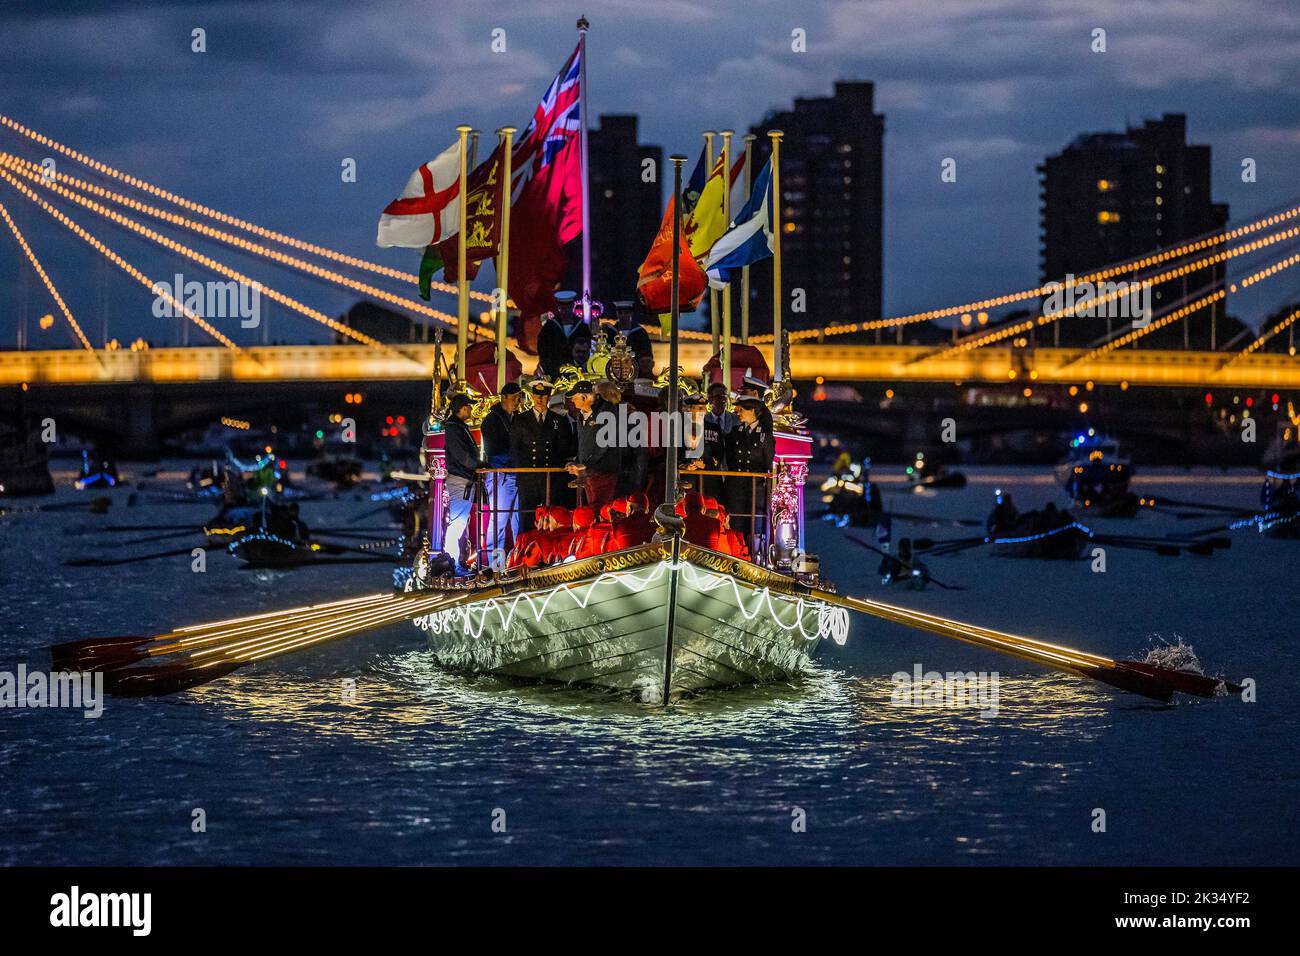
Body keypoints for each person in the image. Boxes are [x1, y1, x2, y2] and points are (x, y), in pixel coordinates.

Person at [509, 379, 574, 533]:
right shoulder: (520, 419)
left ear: (549, 397)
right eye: (537, 396)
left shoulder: (558, 420)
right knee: (527, 518)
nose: (540, 400)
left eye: (543, 396)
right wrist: (522, 470)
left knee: (551, 518)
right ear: (532, 396)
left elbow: (565, 448)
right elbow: (514, 448)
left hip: (551, 478)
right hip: (528, 477)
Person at [724, 396, 776, 551]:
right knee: (736, 523)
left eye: (742, 409)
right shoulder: (735, 433)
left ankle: (754, 554)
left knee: (755, 525)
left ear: (753, 411)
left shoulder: (765, 436)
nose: (738, 412)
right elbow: (730, 459)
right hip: (736, 487)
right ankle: (736, 552)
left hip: (756, 489)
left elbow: (767, 462)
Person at [480, 382, 522, 563]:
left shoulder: (516, 418)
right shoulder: (491, 421)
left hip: (515, 472)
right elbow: (495, 451)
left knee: (519, 520)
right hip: (502, 474)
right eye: (515, 398)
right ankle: (494, 564)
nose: (518, 402)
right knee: (499, 522)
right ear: (503, 398)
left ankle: (519, 560)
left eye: (519, 398)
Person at [442, 393, 484, 572]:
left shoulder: (456, 426)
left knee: (459, 520)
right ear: (463, 408)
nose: (472, 409)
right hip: (461, 479)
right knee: (458, 522)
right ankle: (450, 560)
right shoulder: (454, 428)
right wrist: (479, 466)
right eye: (469, 406)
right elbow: (462, 456)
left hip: (463, 479)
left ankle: (452, 560)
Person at [566, 380, 621, 511]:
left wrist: (586, 464)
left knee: (602, 510)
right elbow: (582, 442)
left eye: (574, 397)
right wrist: (578, 463)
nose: (572, 401)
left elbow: (605, 442)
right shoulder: (581, 414)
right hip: (589, 473)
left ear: (584, 397)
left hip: (604, 472)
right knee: (593, 509)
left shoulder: (607, 410)